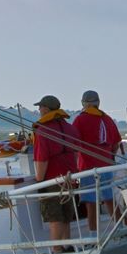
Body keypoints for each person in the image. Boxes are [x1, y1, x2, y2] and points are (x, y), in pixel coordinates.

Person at [28, 95, 81, 234]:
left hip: (52, 180)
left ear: (46, 109)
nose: (39, 110)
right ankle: (67, 243)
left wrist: (40, 182)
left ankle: (57, 246)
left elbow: (42, 159)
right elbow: (76, 154)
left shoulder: (43, 131)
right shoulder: (70, 129)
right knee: (66, 217)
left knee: (55, 218)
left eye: (40, 107)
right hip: (69, 179)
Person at [70, 90, 124, 224]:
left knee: (90, 201)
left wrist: (73, 167)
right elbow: (116, 143)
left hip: (87, 167)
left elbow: (73, 145)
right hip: (106, 166)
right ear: (98, 103)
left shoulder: (80, 120)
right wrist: (109, 156)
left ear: (84, 103)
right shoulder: (107, 119)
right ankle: (119, 226)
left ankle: (93, 232)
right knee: (109, 198)